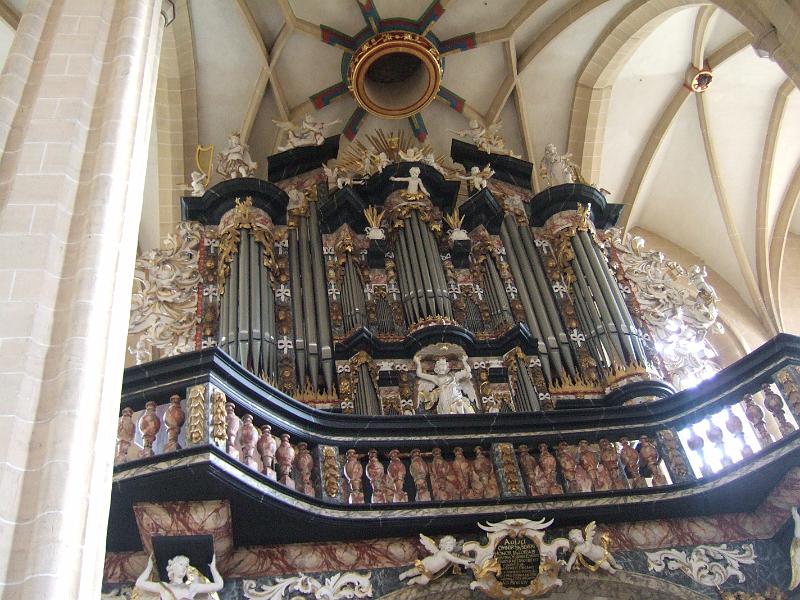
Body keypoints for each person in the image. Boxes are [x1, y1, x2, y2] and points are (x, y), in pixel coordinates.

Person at [135, 553, 223, 599]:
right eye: (181, 564)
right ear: (173, 566)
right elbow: (139, 583)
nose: (184, 568)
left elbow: (219, 585)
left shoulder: (192, 587)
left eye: (186, 566)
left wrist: (212, 568)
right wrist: (149, 566)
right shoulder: (163, 586)